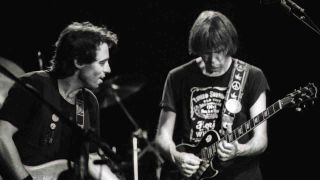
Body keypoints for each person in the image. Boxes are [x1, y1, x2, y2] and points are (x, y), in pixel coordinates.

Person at [155, 10, 269, 180]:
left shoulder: (252, 76)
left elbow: (261, 139)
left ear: (229, 46)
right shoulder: (177, 77)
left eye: (219, 52)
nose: (213, 60)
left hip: (241, 175)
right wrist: (176, 156)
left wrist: (239, 149)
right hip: (193, 174)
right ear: (197, 48)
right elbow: (162, 136)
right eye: (206, 53)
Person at [0, 22, 122, 180]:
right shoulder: (35, 85)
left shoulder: (89, 103)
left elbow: (90, 157)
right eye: (102, 63)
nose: (108, 70)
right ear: (78, 61)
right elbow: (2, 135)